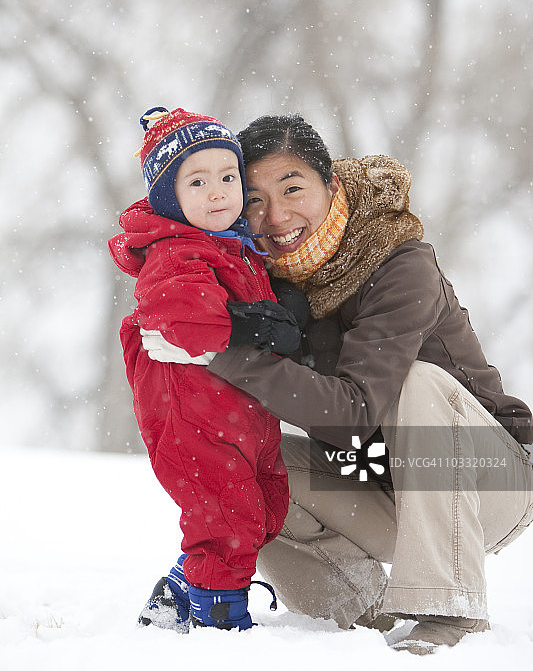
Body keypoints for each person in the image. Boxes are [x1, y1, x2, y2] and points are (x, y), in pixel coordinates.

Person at [141, 113, 533, 654]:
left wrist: (224, 353)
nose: (275, 216)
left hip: (491, 483)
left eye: (293, 188)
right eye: (252, 197)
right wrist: (188, 325)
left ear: (332, 183)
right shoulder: (264, 276)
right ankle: (350, 616)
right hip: (383, 481)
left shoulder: (400, 263)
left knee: (417, 383)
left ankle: (448, 613)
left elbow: (351, 416)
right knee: (257, 475)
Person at [108, 107, 307, 632]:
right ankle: (221, 622)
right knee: (228, 523)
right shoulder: (176, 251)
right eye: (197, 181)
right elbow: (183, 319)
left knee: (261, 511)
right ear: (169, 196)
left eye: (227, 177)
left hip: (237, 415)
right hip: (195, 419)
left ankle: (179, 589)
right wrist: (255, 326)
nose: (218, 192)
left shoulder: (231, 248)